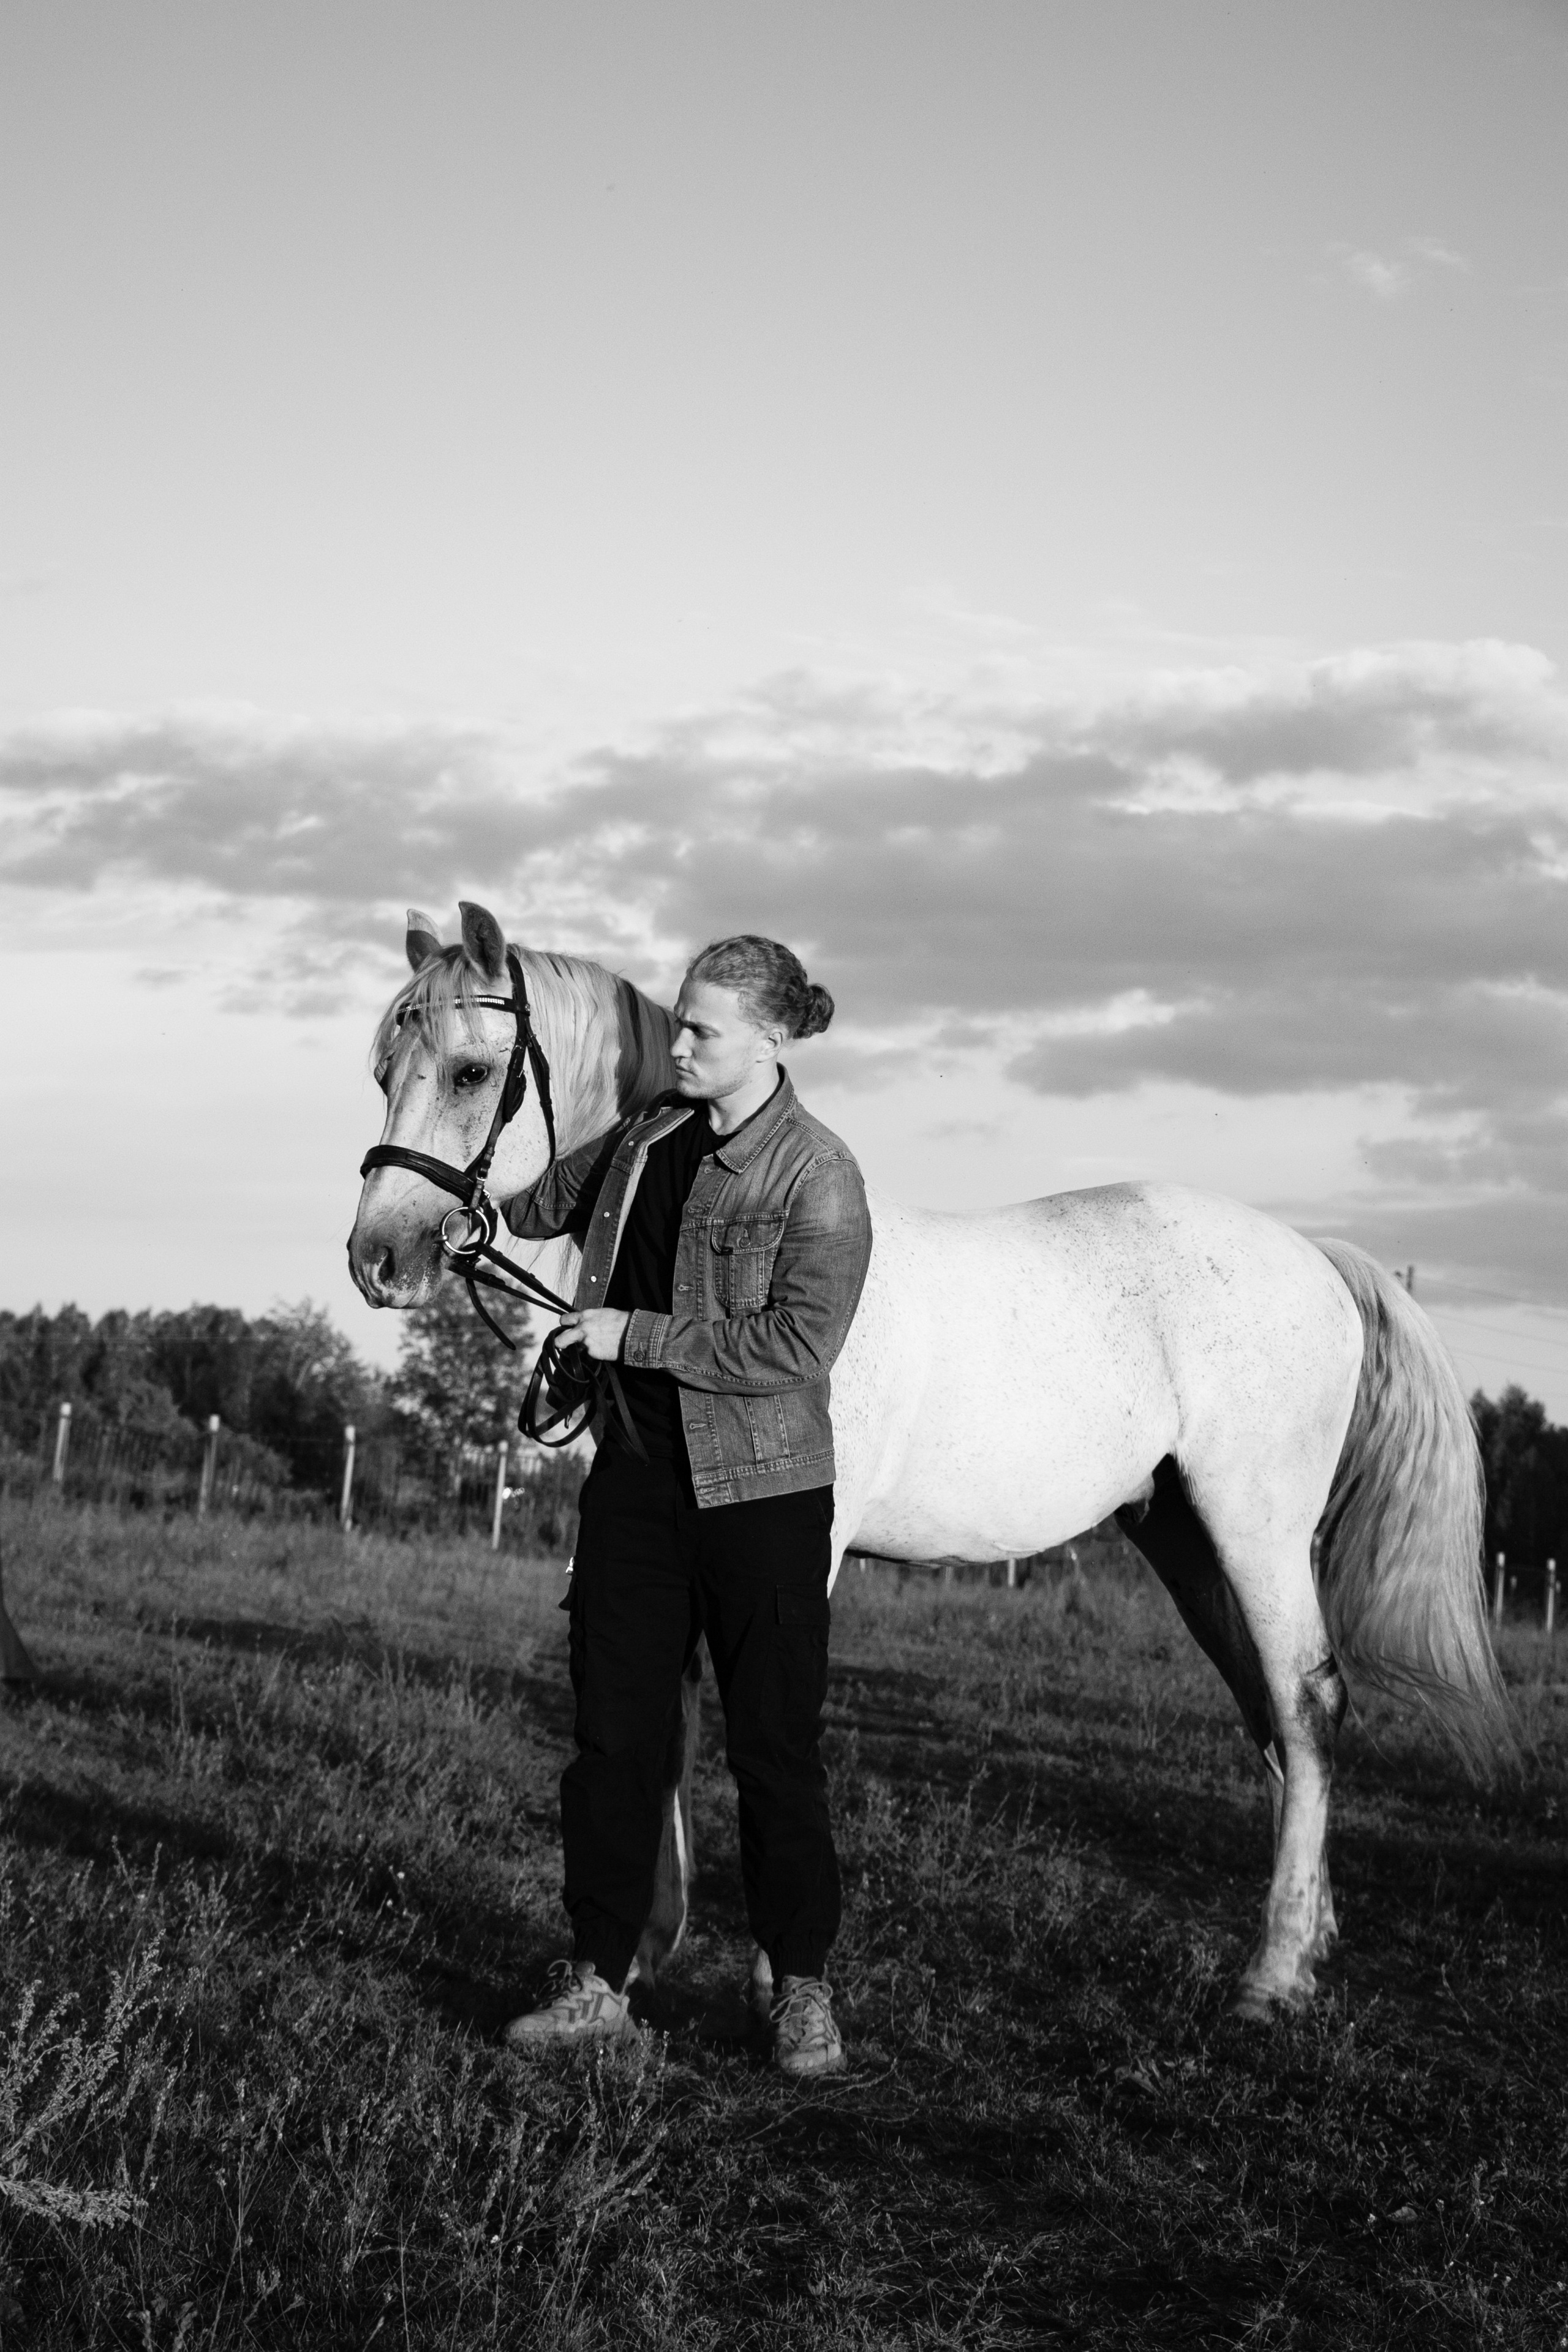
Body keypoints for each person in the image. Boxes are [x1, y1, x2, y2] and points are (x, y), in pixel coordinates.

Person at [502, 935, 872, 2078]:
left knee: (773, 1749)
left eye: (705, 1029)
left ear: (772, 1038)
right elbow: (534, 1212)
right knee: (615, 1743)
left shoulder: (817, 1173)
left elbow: (800, 1343)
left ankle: (798, 1987)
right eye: (679, 1021)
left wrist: (632, 1336)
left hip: (761, 1493)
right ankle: (601, 1977)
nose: (683, 1042)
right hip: (636, 1489)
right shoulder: (646, 1135)